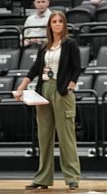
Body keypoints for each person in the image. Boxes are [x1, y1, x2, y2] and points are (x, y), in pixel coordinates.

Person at [14, 11, 80, 190]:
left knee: (66, 137)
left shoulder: (70, 44)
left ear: (64, 24)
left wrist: (71, 85)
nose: (57, 24)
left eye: (60, 21)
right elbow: (35, 69)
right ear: (49, 25)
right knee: (44, 136)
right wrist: (21, 88)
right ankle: (42, 179)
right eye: (54, 21)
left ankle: (72, 177)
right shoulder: (44, 46)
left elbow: (77, 67)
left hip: (62, 92)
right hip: (43, 90)